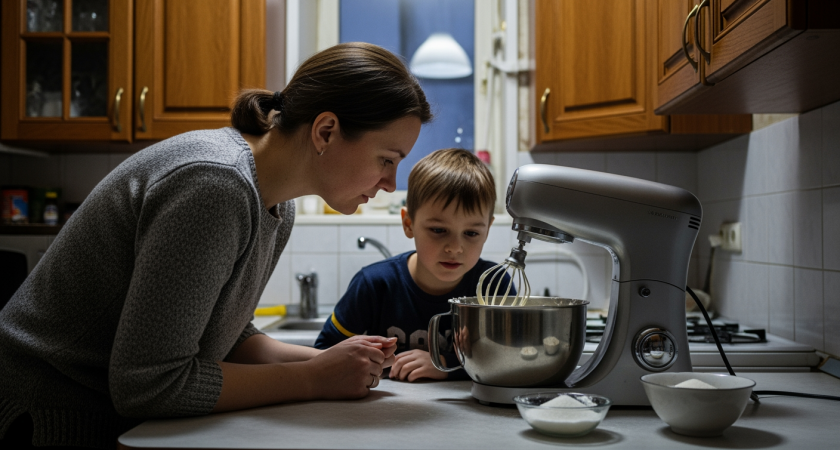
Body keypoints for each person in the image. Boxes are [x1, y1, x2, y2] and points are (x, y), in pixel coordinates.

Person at [0, 42, 432, 449]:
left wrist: (329, 361)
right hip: (39, 418)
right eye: (387, 160)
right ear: (326, 131)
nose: (390, 183)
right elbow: (149, 384)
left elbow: (224, 334)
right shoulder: (215, 184)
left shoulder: (276, 206)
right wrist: (314, 378)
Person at [314, 148, 512, 382]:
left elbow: (508, 361)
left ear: (487, 230)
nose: (455, 248)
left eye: (471, 233)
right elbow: (323, 353)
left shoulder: (494, 286)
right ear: (408, 224)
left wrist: (444, 364)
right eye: (439, 230)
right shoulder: (374, 285)